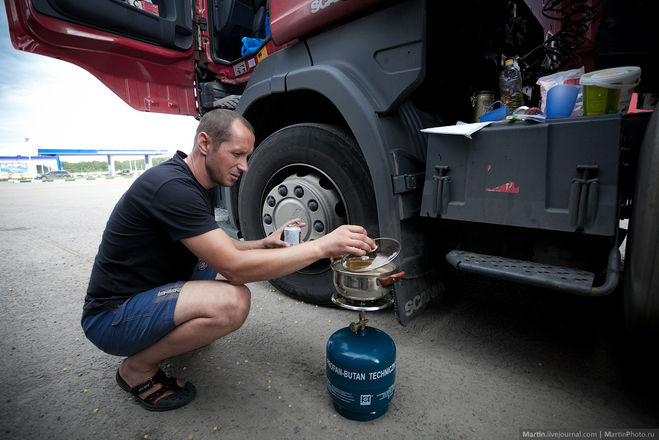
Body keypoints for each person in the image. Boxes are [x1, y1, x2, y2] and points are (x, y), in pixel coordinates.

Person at [81, 109, 375, 411]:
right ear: (205, 143)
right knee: (232, 303)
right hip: (111, 317)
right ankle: (136, 369)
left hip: (147, 292)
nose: (245, 167)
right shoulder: (172, 188)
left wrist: (263, 243)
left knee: (216, 270)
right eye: (237, 154)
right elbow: (233, 266)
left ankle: (168, 333)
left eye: (247, 157)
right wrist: (322, 247)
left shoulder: (197, 182)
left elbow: (218, 247)